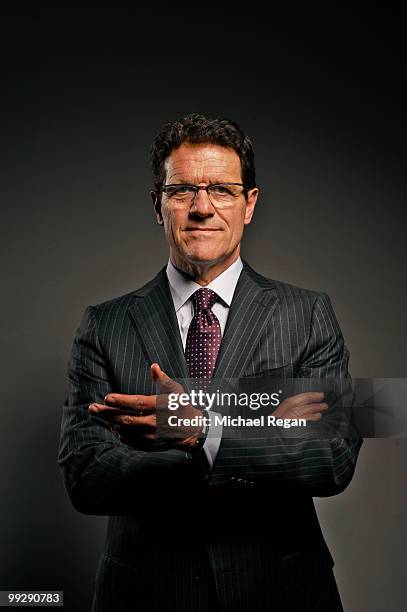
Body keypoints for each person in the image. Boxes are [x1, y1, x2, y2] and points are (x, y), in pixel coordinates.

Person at [58, 113, 362, 612]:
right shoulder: (104, 324)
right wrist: (262, 427)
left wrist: (202, 433)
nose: (202, 208)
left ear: (249, 204)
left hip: (280, 595)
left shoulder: (308, 314)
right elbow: (85, 476)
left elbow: (331, 457)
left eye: (221, 189)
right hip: (146, 597)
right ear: (158, 206)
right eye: (182, 192)